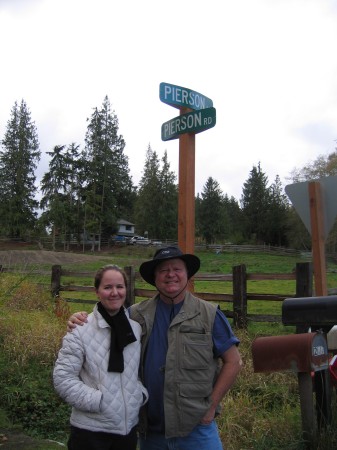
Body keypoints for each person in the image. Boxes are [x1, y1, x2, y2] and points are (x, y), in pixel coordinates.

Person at [69, 247, 242, 450]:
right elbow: (101, 329)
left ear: (187, 275)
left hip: (196, 430)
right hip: (151, 433)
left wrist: (211, 406)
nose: (170, 274)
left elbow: (234, 361)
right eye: (163, 270)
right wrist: (78, 320)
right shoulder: (135, 315)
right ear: (155, 277)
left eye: (177, 269)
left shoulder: (209, 314)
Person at [54, 264, 148, 450]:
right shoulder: (80, 329)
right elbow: (62, 378)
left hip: (127, 431)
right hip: (90, 432)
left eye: (119, 287)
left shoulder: (135, 330)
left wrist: (139, 395)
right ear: (97, 291)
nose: (114, 292)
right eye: (107, 287)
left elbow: (134, 372)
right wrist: (98, 401)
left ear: (126, 290)